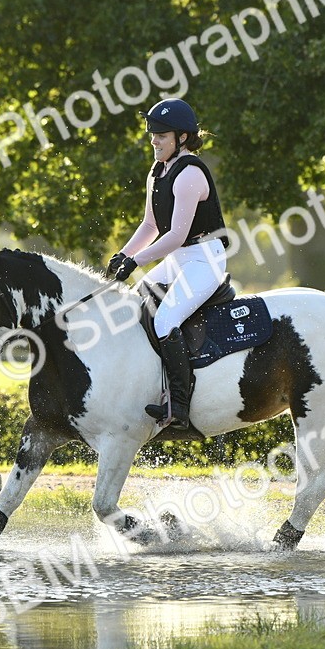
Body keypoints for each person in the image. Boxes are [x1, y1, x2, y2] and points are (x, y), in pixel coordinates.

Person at [107, 98, 229, 430]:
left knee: (165, 319)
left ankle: (179, 407)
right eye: (152, 134)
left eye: (161, 135)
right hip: (180, 260)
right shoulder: (158, 170)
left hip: (205, 261)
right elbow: (150, 226)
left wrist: (136, 260)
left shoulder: (189, 174)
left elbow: (175, 235)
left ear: (183, 138)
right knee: (134, 303)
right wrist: (123, 254)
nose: (154, 140)